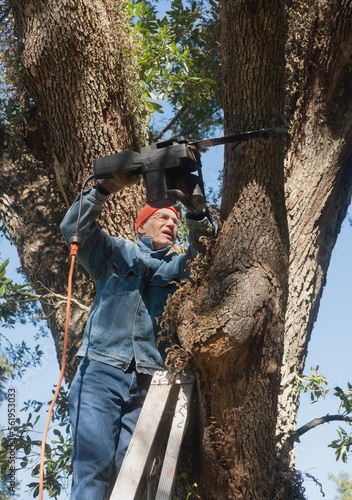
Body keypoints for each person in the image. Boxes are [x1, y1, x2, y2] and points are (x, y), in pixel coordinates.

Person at [60, 172, 212, 500]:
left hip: (147, 384)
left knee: (130, 479)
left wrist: (196, 212)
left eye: (175, 220)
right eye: (162, 217)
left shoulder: (177, 268)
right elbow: (73, 229)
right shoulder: (115, 253)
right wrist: (101, 189)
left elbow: (207, 258)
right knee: (94, 468)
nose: (171, 223)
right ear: (141, 226)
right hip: (100, 373)